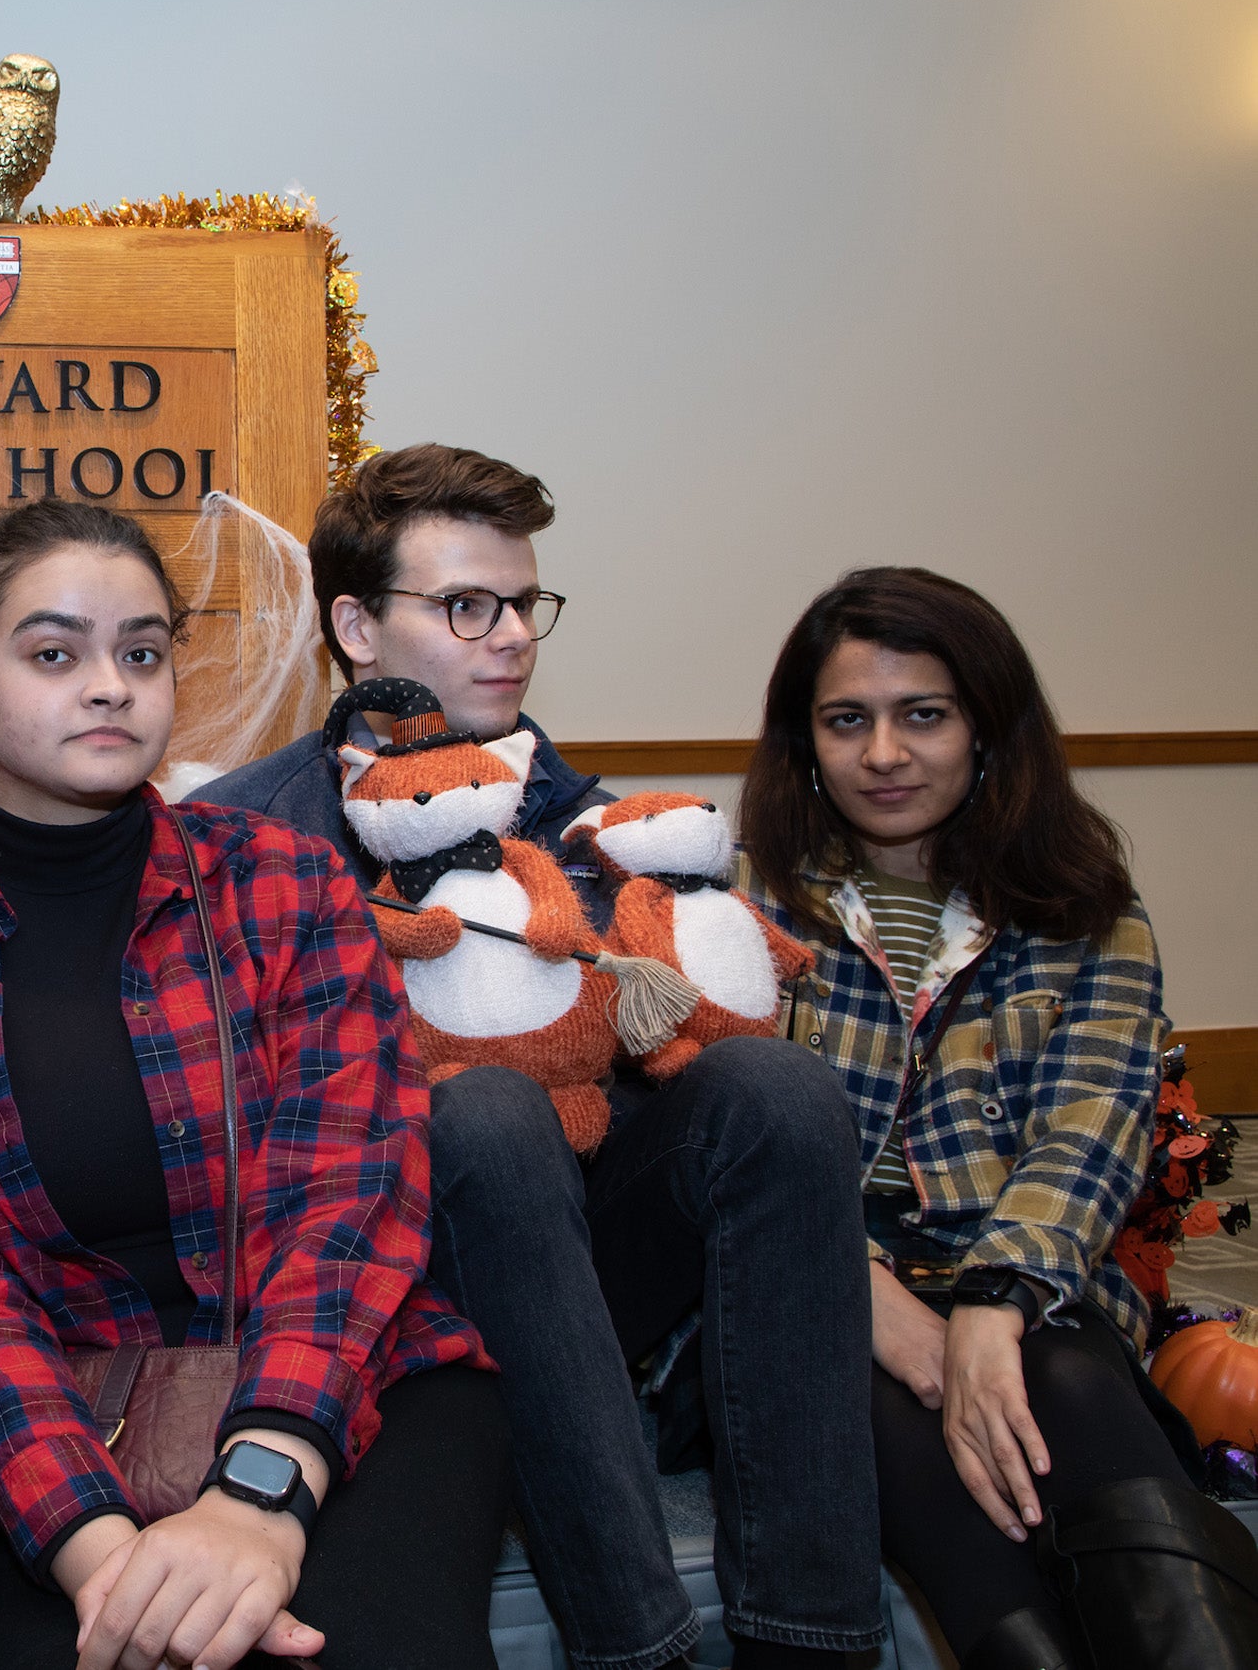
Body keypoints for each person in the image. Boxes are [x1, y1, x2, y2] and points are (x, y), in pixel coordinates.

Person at [0, 498, 511, 1670]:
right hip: (40, 1430)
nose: (110, 684)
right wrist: (105, 1558)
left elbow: (352, 1198)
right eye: (55, 653)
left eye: (142, 651)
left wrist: (256, 1496)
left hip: (343, 1389)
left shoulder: (287, 882)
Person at [192, 445, 883, 1670]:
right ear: (355, 625)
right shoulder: (240, 839)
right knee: (485, 1112)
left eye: (524, 603)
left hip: (563, 1259)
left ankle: (810, 1637)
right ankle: (639, 1645)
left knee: (778, 1087)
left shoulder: (590, 817)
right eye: (467, 605)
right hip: (351, 1286)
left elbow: (655, 1068)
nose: (509, 635)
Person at [738, 565, 1258, 1669]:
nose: (884, 752)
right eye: (847, 720)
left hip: (1030, 1277)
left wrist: (991, 1305)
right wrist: (890, 1314)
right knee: (875, 1409)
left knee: (1061, 1376)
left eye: (923, 713)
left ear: (985, 726)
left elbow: (1090, 1131)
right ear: (806, 742)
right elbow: (733, 1153)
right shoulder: (742, 910)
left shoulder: (1087, 913)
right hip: (807, 1293)